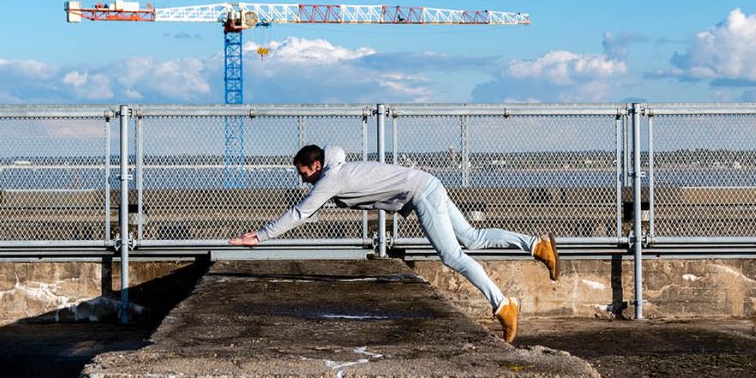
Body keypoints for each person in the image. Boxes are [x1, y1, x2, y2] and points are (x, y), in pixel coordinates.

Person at [229, 144, 559, 343]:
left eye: (303, 173)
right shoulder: (339, 169)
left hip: (421, 193)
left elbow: (301, 213)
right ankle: (536, 245)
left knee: (452, 256)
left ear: (316, 165)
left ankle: (504, 306)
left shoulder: (331, 179)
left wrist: (258, 235)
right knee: (472, 236)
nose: (302, 179)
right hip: (428, 184)